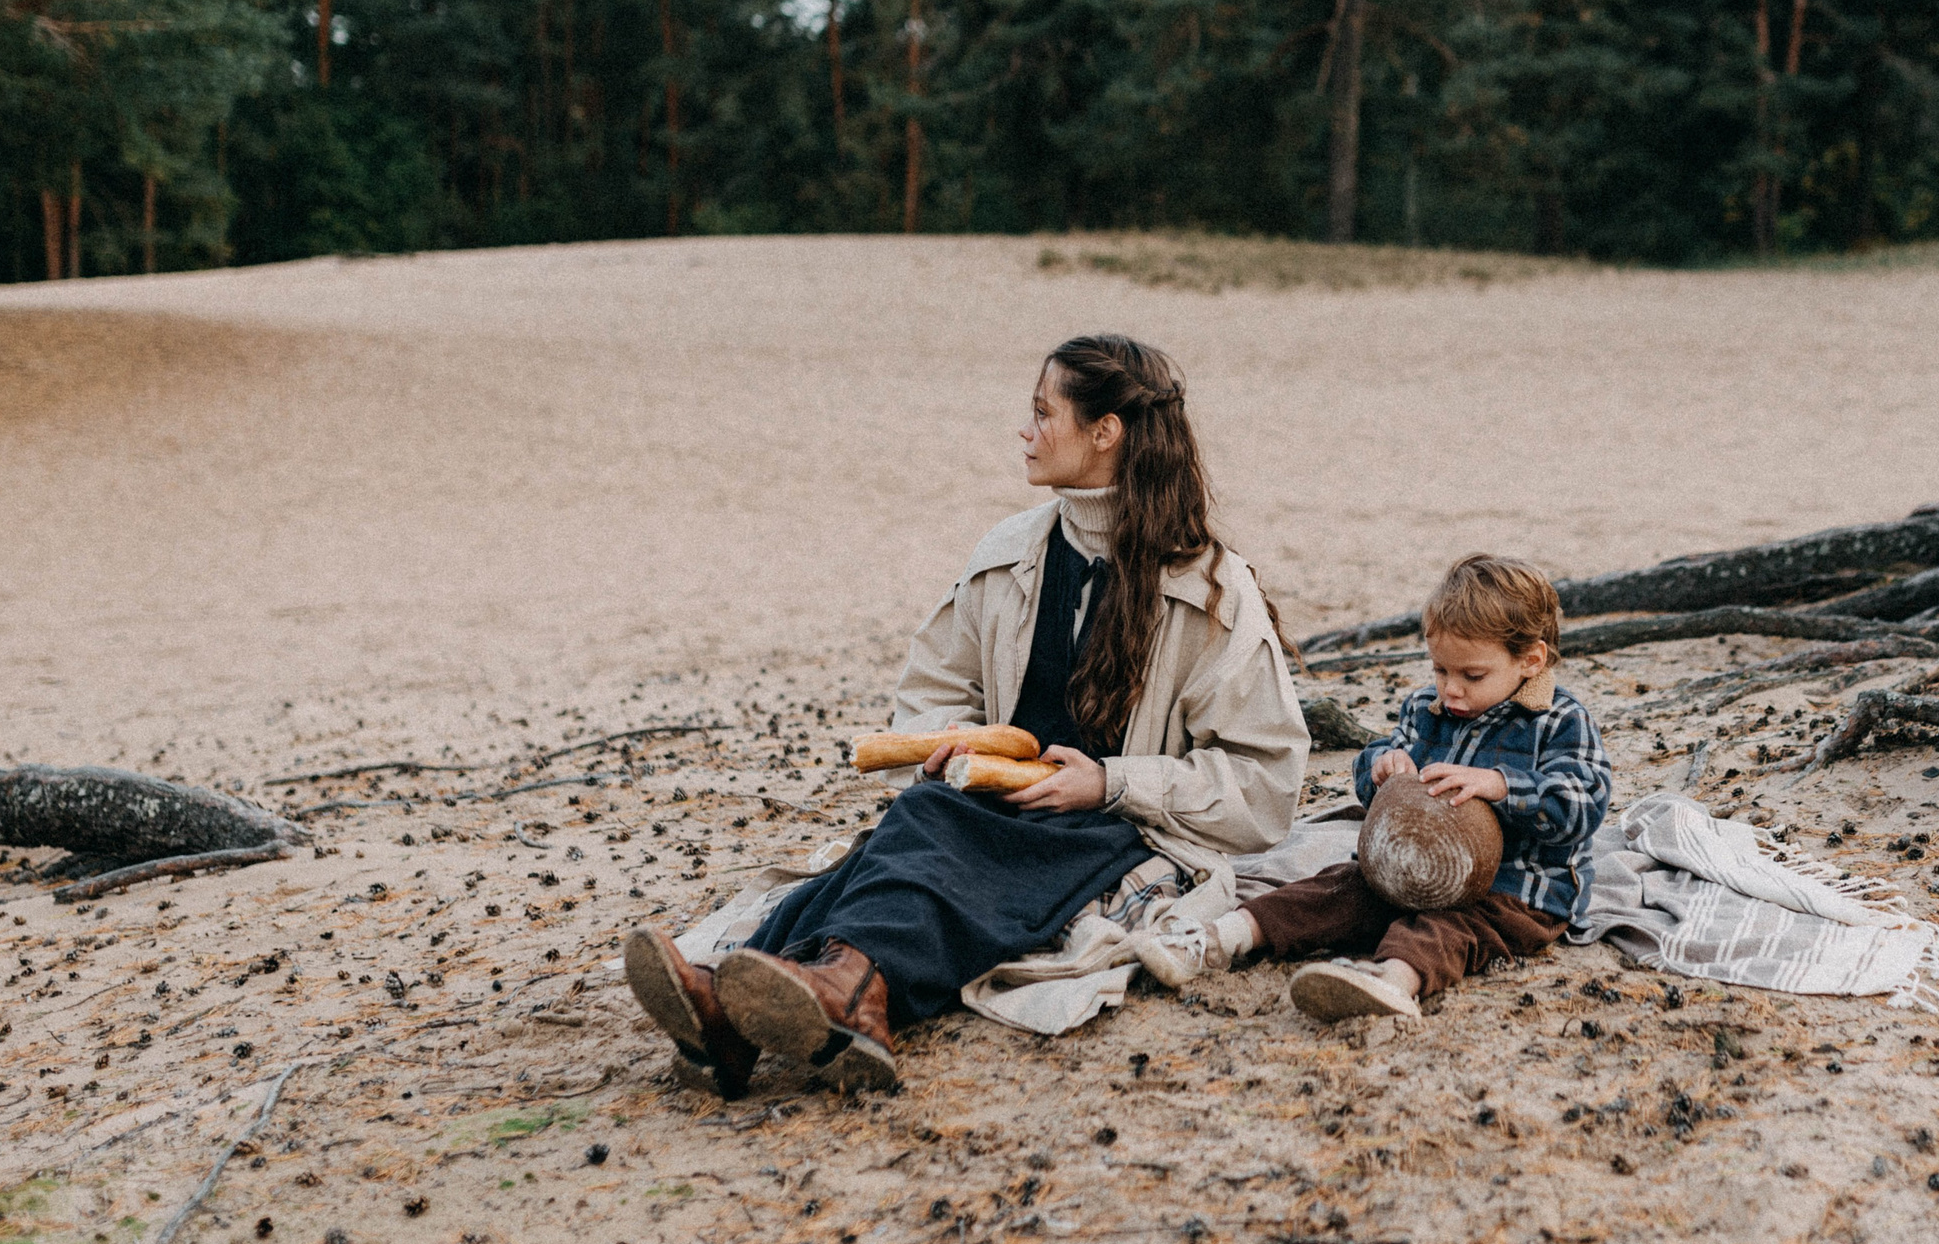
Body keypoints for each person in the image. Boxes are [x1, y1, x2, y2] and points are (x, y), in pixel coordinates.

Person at [620, 334, 1307, 1093]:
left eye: (1044, 414)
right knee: (918, 819)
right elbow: (933, 688)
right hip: (999, 803)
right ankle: (762, 1002)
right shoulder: (1008, 554)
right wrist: (948, 740)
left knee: (931, 830)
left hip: (1117, 827)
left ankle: (848, 991)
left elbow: (1263, 783)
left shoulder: (1213, 589)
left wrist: (1108, 781)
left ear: (1105, 431)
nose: (1027, 431)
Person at [1134, 554, 1611, 1021]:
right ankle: (1220, 939)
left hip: (1514, 893)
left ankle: (1391, 981)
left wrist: (1501, 785)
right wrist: (1381, 768)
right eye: (1441, 670)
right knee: (1333, 890)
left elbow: (1585, 801)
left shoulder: (1560, 721)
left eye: (1472, 675)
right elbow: (1373, 773)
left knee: (1445, 929)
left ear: (1530, 661)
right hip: (1407, 871)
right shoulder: (1427, 707)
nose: (1452, 690)